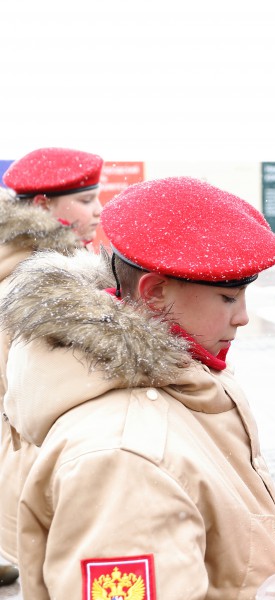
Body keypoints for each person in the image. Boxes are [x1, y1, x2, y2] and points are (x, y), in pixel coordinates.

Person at [0, 176, 275, 597]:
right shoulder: (124, 461)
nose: (243, 317)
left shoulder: (176, 377)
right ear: (154, 293)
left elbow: (224, 532)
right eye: (228, 298)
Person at [0, 146, 104, 587]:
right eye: (85, 201)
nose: (98, 212)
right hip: (39, 458)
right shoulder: (39, 280)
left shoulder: (18, 261)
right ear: (42, 206)